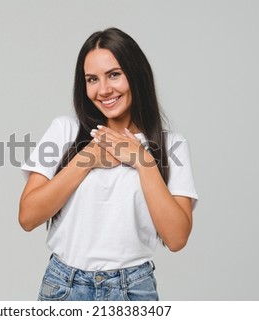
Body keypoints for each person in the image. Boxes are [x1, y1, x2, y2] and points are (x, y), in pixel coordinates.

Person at [19, 27, 198, 301]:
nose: (103, 90)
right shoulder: (65, 130)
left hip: (133, 289)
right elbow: (28, 217)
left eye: (114, 74)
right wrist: (87, 159)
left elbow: (176, 239)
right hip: (64, 286)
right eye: (92, 79)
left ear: (136, 75)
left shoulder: (172, 146)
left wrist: (142, 161)